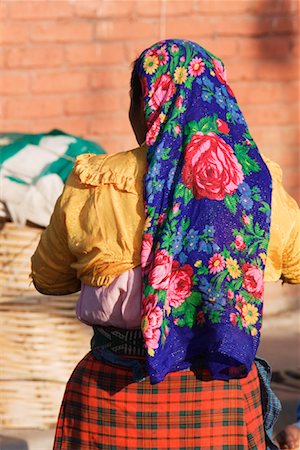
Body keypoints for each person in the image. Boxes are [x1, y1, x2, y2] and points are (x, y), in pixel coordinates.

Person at [31, 39, 300, 450]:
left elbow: (48, 278)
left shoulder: (96, 182)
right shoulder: (258, 186)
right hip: (219, 398)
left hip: (112, 392)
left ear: (147, 104)